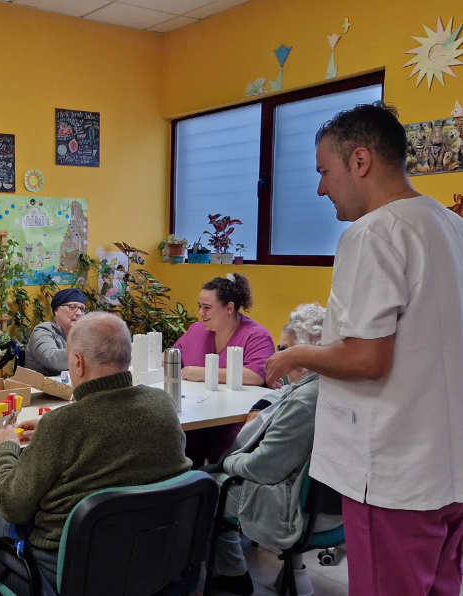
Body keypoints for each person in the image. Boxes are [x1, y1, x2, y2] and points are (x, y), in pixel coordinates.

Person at [265, 102, 463, 596]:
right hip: (448, 468)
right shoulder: (451, 227)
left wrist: (295, 356)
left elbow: (367, 358)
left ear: (360, 162)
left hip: (393, 472)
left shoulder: (374, 233)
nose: (320, 188)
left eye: (324, 172)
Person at [0, 312, 192, 595]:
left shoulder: (63, 425)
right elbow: (107, 424)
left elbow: (12, 507)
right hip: (153, 556)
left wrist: (5, 448)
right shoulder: (161, 404)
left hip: (67, 568)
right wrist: (53, 427)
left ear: (77, 362)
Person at [207, 303, 332, 596]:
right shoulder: (329, 384)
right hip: (328, 506)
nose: (275, 355)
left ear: (300, 356)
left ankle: (232, 575)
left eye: (283, 348)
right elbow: (282, 392)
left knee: (204, 487)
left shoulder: (303, 402)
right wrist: (262, 404)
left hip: (293, 510)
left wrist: (227, 463)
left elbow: (261, 469)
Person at [173, 273, 276, 467]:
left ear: (229, 308)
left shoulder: (256, 335)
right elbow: (172, 356)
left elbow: (255, 375)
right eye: (199, 306)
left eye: (207, 308)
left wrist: (203, 373)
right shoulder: (197, 330)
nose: (200, 313)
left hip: (233, 419)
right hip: (197, 412)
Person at [24, 288, 86, 375]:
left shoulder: (83, 334)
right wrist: (87, 352)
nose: (79, 313)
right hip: (40, 387)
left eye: (82, 309)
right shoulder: (43, 330)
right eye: (72, 307)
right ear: (56, 310)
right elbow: (52, 360)